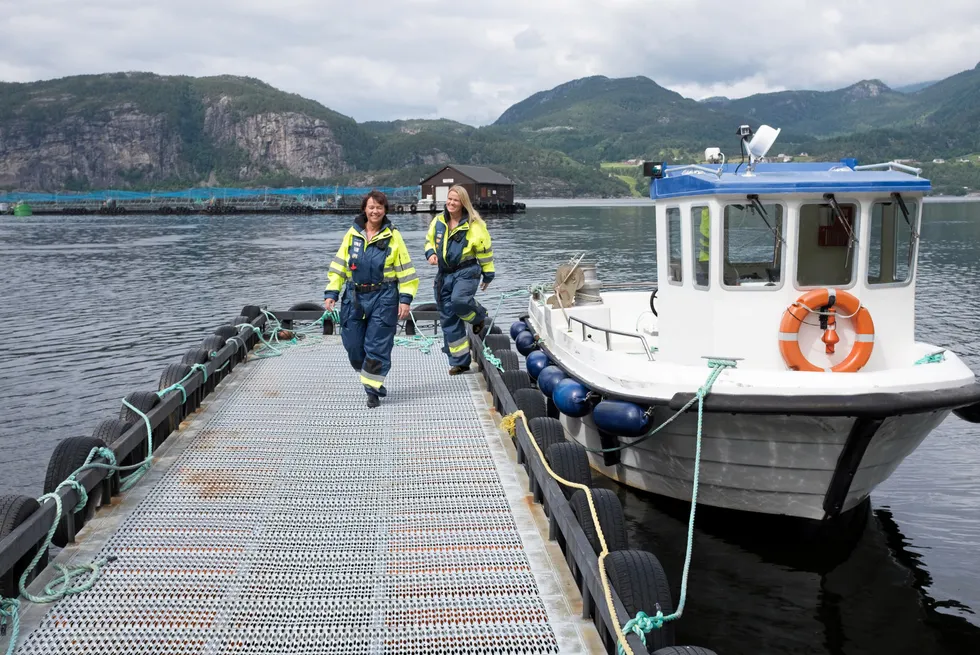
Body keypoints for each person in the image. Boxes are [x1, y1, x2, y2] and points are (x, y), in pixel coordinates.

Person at [324, 190, 419, 408]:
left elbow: (406, 272)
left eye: (379, 207)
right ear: (364, 209)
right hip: (354, 296)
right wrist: (332, 293)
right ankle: (372, 379)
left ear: (385, 210)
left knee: (377, 345)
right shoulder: (352, 233)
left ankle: (372, 391)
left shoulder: (394, 236)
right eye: (371, 207)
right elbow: (339, 266)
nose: (374, 211)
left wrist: (405, 299)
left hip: (384, 296)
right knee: (353, 345)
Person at [424, 185, 495, 375]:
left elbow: (485, 252)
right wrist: (430, 253)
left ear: (463, 203)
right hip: (444, 274)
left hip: (466, 271)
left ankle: (478, 315)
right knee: (448, 317)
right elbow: (429, 241)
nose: (451, 203)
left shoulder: (475, 225)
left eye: (455, 200)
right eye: (449, 199)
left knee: (459, 301)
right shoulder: (438, 221)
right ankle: (460, 362)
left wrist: (488, 274)